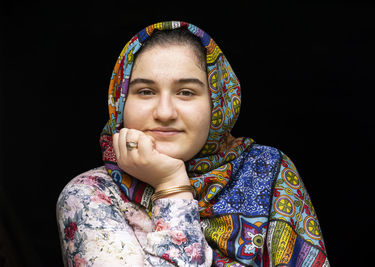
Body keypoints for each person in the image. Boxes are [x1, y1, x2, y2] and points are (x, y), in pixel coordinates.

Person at [56, 21, 329, 266]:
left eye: (186, 92)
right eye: (145, 92)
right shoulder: (89, 195)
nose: (164, 112)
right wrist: (171, 185)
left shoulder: (266, 172)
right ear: (121, 102)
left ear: (217, 104)